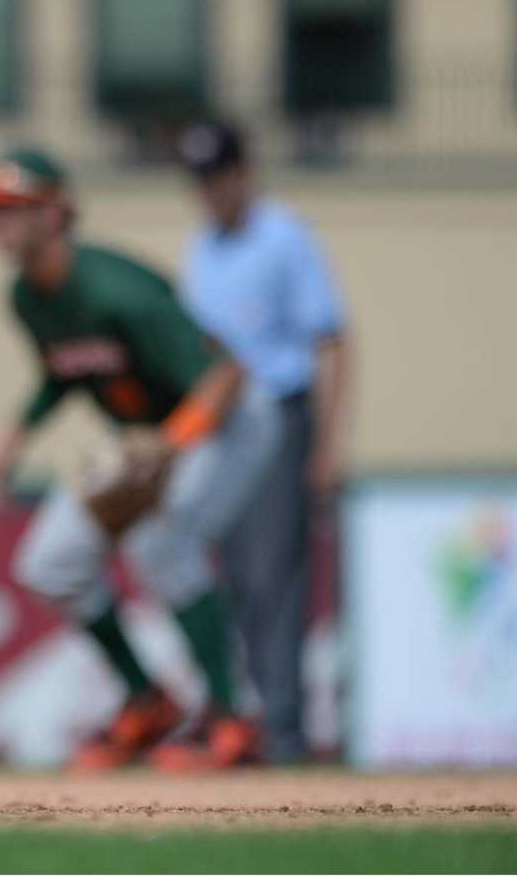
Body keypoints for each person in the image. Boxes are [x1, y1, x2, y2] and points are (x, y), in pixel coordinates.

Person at [0, 149, 277, 772]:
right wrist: (12, 438)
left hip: (227, 421)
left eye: (11, 208)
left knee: (163, 544)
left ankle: (233, 720)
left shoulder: (116, 289)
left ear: (57, 212)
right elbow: (68, 369)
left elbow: (225, 373)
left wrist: (172, 442)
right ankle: (146, 700)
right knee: (52, 563)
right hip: (144, 433)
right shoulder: (26, 295)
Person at [175, 123, 351, 764]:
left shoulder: (283, 235)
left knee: (273, 578)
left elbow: (332, 340)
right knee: (230, 576)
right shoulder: (201, 246)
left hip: (279, 414)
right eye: (199, 179)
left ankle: (282, 736)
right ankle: (240, 723)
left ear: (244, 173)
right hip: (221, 428)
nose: (209, 190)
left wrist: (329, 445)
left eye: (218, 175)